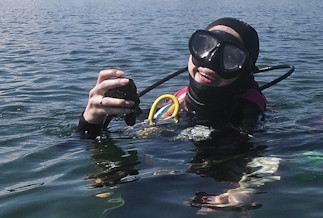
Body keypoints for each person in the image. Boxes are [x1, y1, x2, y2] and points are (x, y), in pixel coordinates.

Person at [77, 17, 269, 138]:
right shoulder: (166, 110)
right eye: (205, 46)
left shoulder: (255, 125)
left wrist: (246, 190)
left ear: (245, 72)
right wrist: (90, 120)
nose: (210, 61)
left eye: (230, 57)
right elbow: (77, 149)